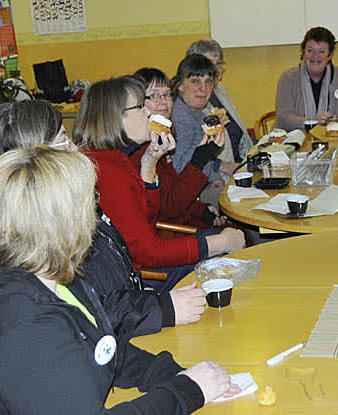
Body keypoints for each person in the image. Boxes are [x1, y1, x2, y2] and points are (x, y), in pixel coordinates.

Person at [0, 147, 239, 415]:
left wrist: (170, 374)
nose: (97, 211)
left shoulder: (41, 268)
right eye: (92, 200)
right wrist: (187, 392)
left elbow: (99, 345)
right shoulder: (21, 327)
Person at [0, 100, 207, 336]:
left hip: (130, 316)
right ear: (36, 159)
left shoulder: (59, 203)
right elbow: (81, 316)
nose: (77, 149)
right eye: (65, 140)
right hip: (109, 344)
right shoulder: (34, 235)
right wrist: (162, 308)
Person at [74, 76, 245, 292]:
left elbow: (149, 217)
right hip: (136, 278)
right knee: (228, 252)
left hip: (144, 261)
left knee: (225, 242)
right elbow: (148, 251)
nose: (148, 112)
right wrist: (220, 244)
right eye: (140, 106)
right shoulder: (106, 170)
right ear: (115, 117)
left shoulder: (116, 157)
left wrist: (150, 162)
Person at [132, 67, 227, 229]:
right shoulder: (140, 150)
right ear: (137, 103)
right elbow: (170, 208)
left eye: (167, 94)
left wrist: (201, 210)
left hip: (183, 218)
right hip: (169, 234)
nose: (163, 101)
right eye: (154, 95)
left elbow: (170, 191)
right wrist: (201, 157)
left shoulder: (160, 136)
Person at [170, 54, 237, 207]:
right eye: (195, 81)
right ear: (180, 85)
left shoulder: (197, 113)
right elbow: (180, 168)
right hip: (191, 196)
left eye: (208, 82)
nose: (203, 88)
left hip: (205, 184)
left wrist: (216, 179)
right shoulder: (181, 118)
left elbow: (206, 159)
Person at [186, 38, 256, 161]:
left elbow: (239, 131)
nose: (216, 70)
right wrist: (225, 167)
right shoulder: (191, 102)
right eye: (210, 65)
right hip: (219, 175)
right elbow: (194, 155)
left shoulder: (220, 90)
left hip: (242, 161)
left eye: (219, 64)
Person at [274, 26, 338, 131]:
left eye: (322, 51)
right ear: (303, 52)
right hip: (293, 141)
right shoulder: (287, 78)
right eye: (310, 50)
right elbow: (283, 118)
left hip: (330, 139)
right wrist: (313, 123)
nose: (315, 56)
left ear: (330, 55)